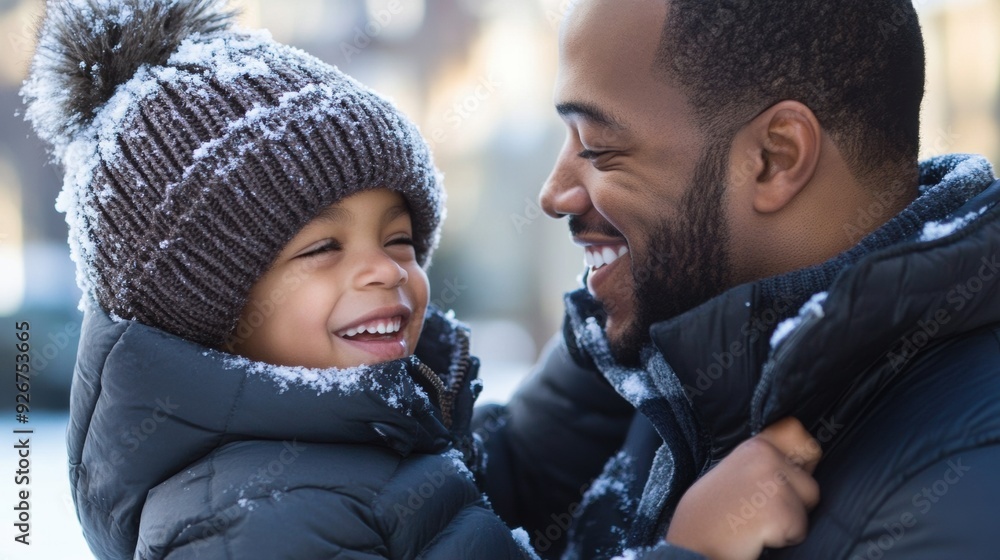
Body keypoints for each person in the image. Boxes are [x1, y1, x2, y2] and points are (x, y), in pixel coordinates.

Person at [23, 1, 823, 559]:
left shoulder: (357, 435)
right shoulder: (247, 519)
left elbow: (503, 482)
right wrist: (690, 548)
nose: (385, 270)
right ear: (209, 311)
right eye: (322, 249)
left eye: (400, 238)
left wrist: (601, 344)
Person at [474, 0, 1000, 559]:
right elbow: (459, 514)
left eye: (598, 149)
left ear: (776, 157)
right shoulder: (664, 342)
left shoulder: (966, 485)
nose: (553, 195)